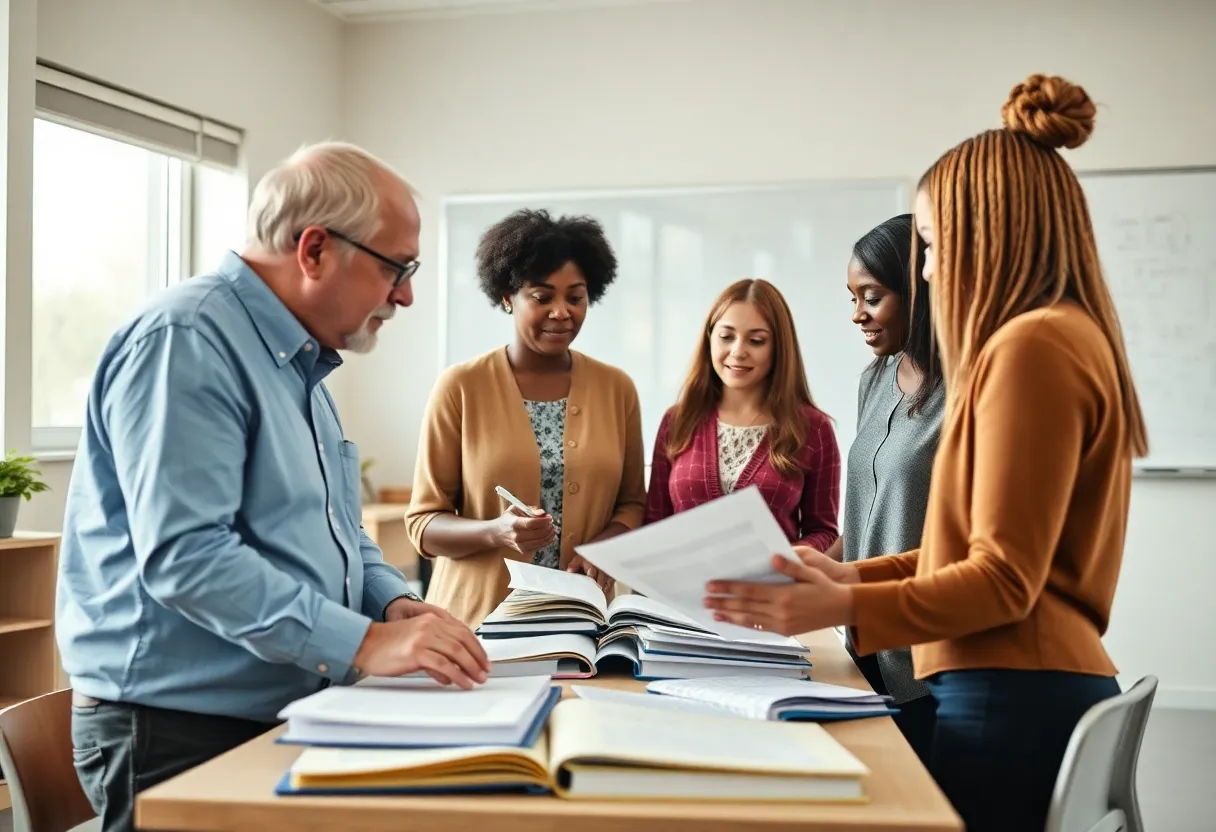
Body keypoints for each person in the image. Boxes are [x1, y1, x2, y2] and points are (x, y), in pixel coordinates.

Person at [702, 73, 1146, 832]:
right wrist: (848, 573)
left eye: (933, 246)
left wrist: (841, 599)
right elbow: (964, 552)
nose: (929, 270)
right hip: (1022, 681)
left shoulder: (1032, 345)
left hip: (1009, 689)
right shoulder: (1060, 335)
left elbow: (1001, 580)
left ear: (988, 234)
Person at [56, 141, 490, 832]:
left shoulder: (303, 363)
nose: (405, 294)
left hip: (275, 714)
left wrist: (396, 605)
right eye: (395, 268)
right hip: (178, 732)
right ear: (315, 248)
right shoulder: (188, 340)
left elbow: (335, 534)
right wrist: (363, 645)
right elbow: (188, 558)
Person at [405, 208, 646, 628]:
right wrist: (495, 532)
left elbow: (632, 505)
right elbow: (423, 525)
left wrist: (601, 550)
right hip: (475, 625)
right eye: (542, 296)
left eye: (575, 296)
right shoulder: (460, 386)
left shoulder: (617, 388)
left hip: (582, 623)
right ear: (507, 295)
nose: (561, 312)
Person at [820, 213, 944, 766]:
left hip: (926, 658)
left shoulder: (967, 392)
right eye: (852, 298)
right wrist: (819, 563)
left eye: (871, 296)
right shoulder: (874, 379)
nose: (857, 315)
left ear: (917, 288)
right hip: (862, 639)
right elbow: (871, 508)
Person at [646, 278, 840, 551]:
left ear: (778, 348)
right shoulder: (677, 420)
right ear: (709, 339)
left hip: (770, 591)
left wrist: (787, 560)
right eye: (726, 337)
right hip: (678, 593)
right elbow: (654, 523)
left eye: (756, 340)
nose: (738, 352)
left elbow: (823, 531)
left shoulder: (813, 428)